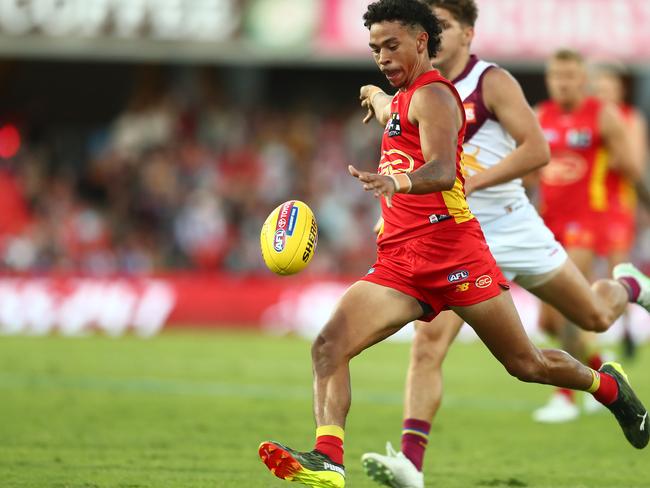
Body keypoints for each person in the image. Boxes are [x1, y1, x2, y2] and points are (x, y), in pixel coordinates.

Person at [257, 2, 649, 487]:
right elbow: (392, 112)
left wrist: (397, 183)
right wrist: (375, 97)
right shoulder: (401, 96)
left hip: (456, 254)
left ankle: (608, 388)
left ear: (423, 42)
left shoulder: (438, 96)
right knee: (328, 345)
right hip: (401, 264)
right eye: (375, 48)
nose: (381, 56)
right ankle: (329, 459)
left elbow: (444, 170)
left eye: (392, 45)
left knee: (526, 364)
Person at [533, 49, 646, 423]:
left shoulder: (603, 115)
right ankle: (605, 375)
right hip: (547, 223)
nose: (563, 83)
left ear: (582, 80)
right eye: (556, 76)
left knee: (568, 307)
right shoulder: (539, 115)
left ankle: (565, 398)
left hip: (587, 221)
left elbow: (631, 167)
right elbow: (529, 172)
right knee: (548, 322)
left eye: (570, 76)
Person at [592, 62, 649, 358]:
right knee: (584, 272)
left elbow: (634, 163)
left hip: (617, 203)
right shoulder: (588, 118)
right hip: (587, 207)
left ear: (620, 90)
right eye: (599, 89)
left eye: (609, 89)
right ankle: (592, 334)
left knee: (618, 269)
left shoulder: (630, 119)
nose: (604, 95)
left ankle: (626, 328)